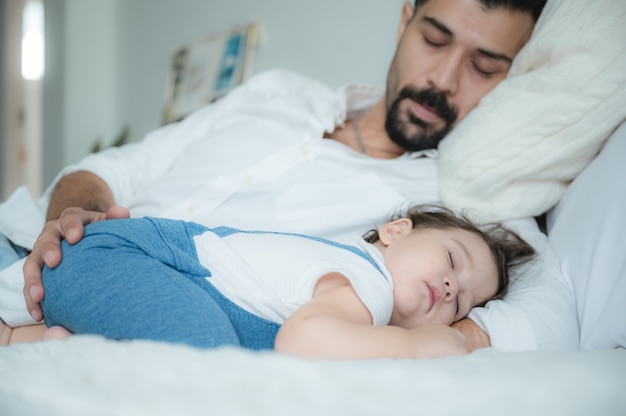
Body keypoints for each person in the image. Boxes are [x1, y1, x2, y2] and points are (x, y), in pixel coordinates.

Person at [0, 0, 546, 351]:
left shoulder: (462, 204)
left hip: (139, 298)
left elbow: (551, 306)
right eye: (434, 39)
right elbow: (113, 167)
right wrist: (69, 222)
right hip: (28, 244)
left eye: (483, 66)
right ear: (405, 20)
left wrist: (456, 340)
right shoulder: (278, 91)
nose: (444, 80)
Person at [8, 205, 535, 359]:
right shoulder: (365, 283)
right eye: (451, 259)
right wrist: (424, 345)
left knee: (214, 340)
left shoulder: (349, 290)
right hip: (127, 255)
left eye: (462, 301)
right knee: (210, 366)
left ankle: (25, 340)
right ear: (395, 232)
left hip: (121, 266)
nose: (448, 287)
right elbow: (303, 343)